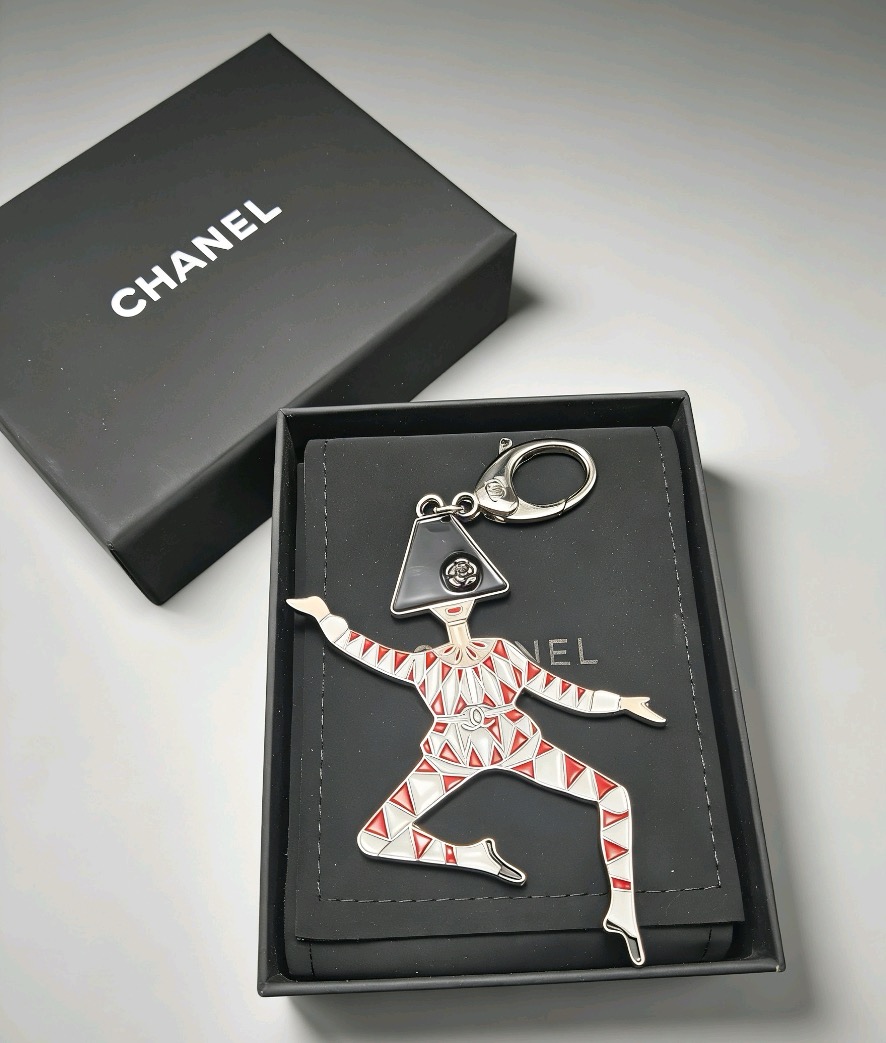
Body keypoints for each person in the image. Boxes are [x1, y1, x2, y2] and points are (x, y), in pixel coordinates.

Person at [289, 511, 665, 966]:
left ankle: (622, 908)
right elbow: (364, 650)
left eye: (461, 592)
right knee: (375, 840)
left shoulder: (503, 653)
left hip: (518, 746)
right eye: (439, 597)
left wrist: (621, 702)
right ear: (425, 605)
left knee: (614, 795)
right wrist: (325, 616)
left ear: (476, 594)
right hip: (450, 757)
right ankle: (473, 858)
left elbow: (565, 693)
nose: (451, 604)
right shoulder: (423, 665)